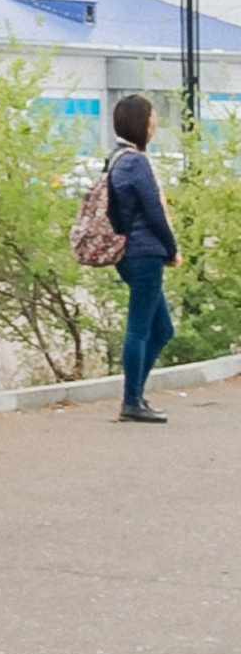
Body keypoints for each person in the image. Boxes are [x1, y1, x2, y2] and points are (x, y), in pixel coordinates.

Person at [107, 92, 180, 422]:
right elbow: (154, 212)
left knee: (162, 328)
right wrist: (172, 249)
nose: (156, 123)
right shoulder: (136, 162)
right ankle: (132, 401)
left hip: (130, 253)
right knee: (139, 328)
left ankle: (135, 396)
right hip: (145, 253)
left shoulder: (116, 158)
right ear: (141, 123)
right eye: (152, 117)